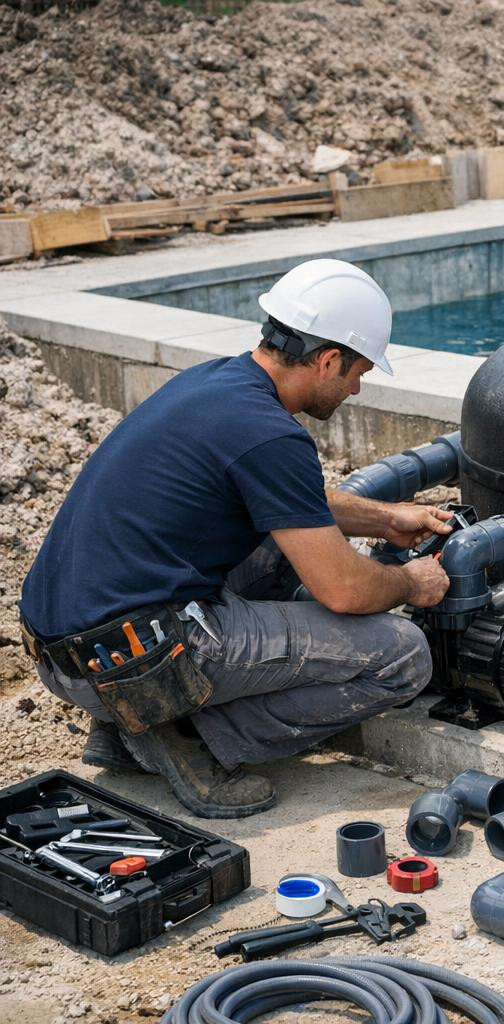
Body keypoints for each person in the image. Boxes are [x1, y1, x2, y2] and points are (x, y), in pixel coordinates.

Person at [18, 259, 452, 819]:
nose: (358, 387)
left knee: (279, 545)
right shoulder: (272, 434)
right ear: (327, 359)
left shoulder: (219, 383)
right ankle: (187, 737)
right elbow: (345, 591)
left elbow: (291, 503)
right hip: (133, 658)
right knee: (402, 658)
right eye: (357, 371)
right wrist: (408, 581)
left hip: (66, 644)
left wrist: (385, 519)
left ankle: (122, 727)